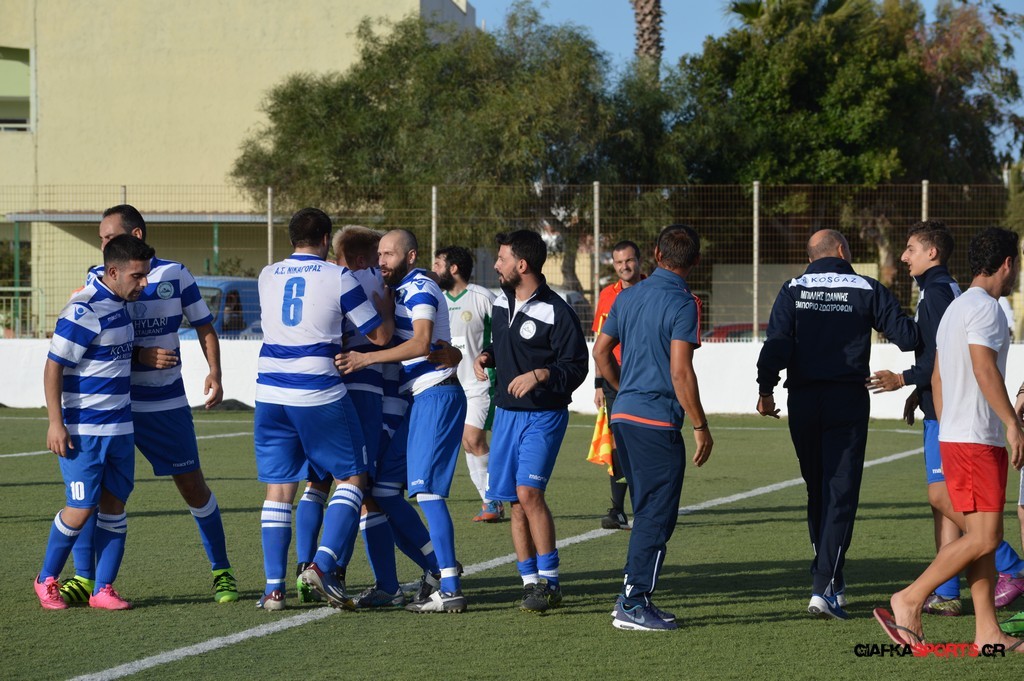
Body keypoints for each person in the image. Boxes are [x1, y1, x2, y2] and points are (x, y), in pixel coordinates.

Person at [61, 204, 238, 606]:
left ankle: (222, 570)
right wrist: (139, 355)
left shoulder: (175, 274)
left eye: (109, 236)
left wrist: (215, 372)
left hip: (164, 404)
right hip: (113, 408)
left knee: (192, 486)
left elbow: (204, 326)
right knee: (96, 495)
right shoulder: (99, 276)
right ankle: (85, 578)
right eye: (102, 239)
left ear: (135, 236)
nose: (103, 244)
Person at [756, 229, 920, 620]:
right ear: (842, 251)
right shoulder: (867, 287)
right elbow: (906, 337)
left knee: (818, 489)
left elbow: (777, 343)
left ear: (810, 257)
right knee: (840, 492)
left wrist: (765, 389)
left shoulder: (793, 288)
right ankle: (824, 588)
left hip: (803, 400)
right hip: (846, 400)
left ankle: (831, 578)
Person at [875, 227, 1024, 653]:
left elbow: (938, 376)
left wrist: (949, 425)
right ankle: (910, 599)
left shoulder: (954, 307)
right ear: (1007, 264)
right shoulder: (987, 309)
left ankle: (988, 632)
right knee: (985, 538)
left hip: (957, 435)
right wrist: (1012, 424)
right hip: (977, 440)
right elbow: (984, 368)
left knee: (981, 538)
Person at [258, 208, 392, 610]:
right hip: (316, 387)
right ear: (324, 239)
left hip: (269, 390)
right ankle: (321, 564)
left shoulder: (266, 274)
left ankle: (273, 589)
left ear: (291, 239)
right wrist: (385, 307)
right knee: (353, 476)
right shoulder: (338, 276)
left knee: (280, 488)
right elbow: (379, 335)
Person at [337, 228, 469, 613]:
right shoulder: (400, 290)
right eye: (379, 254)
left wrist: (365, 358)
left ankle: (450, 588)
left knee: (427, 494)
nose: (382, 261)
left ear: (410, 257)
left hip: (435, 395)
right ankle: (434, 570)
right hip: (419, 399)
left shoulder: (420, 287)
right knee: (383, 491)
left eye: (389, 254)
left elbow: (422, 342)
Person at [594, 224, 712, 631]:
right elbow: (680, 372)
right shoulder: (685, 302)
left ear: (657, 255)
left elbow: (600, 352)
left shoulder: (627, 296)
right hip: (656, 421)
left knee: (647, 511)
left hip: (624, 417)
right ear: (696, 261)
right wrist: (700, 425)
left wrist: (623, 388)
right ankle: (632, 603)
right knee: (655, 514)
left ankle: (631, 598)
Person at [35, 234, 153, 610]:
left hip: (120, 429)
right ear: (113, 272)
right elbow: (54, 367)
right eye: (137, 276)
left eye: (146, 275)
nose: (144, 283)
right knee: (80, 508)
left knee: (115, 506)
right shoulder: (82, 310)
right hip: (84, 431)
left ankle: (103, 589)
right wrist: (56, 423)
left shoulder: (122, 305)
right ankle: (46, 578)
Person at [474, 229, 588, 613]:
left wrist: (540, 375)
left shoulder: (558, 311)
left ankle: (551, 582)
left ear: (522, 265)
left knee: (529, 494)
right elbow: (505, 344)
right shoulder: (501, 302)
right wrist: (488, 355)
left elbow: (576, 367)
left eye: (502, 258)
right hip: (506, 415)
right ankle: (529, 582)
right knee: (514, 501)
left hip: (544, 416)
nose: (496, 265)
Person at [432, 245, 503, 523]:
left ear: (453, 268)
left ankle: (496, 498)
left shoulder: (482, 297)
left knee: (473, 439)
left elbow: (503, 334)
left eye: (438, 264)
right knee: (467, 442)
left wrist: (489, 360)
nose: (433, 269)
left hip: (480, 383)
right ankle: (491, 501)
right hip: (451, 384)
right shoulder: (437, 300)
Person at [591, 240, 645, 531]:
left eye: (629, 261)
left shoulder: (652, 290)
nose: (625, 267)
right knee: (617, 444)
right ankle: (618, 510)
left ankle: (645, 508)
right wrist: (598, 383)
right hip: (614, 377)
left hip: (644, 374)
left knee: (642, 442)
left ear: (640, 261)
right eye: (619, 262)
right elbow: (600, 342)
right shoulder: (607, 295)